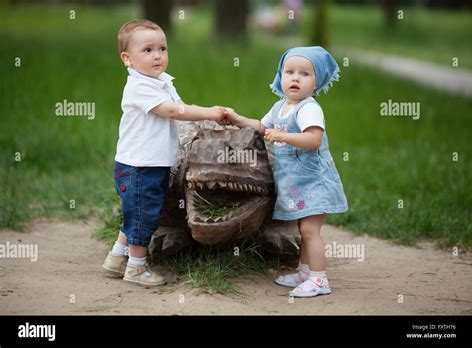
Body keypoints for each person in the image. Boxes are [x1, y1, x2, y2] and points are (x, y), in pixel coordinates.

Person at [102, 19, 230, 286]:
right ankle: (136, 267)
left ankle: (116, 258)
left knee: (135, 212)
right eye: (147, 50)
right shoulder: (140, 86)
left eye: (162, 48)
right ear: (127, 58)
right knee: (145, 215)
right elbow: (172, 111)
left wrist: (210, 118)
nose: (157, 55)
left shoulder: (161, 82)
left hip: (152, 164)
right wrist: (208, 112)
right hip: (138, 166)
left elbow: (182, 108)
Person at [225, 46, 348, 297]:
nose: (295, 78)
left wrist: (283, 136)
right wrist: (238, 119)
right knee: (303, 230)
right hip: (297, 182)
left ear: (317, 82)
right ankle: (305, 272)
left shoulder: (309, 108)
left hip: (315, 180)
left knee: (310, 231)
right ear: (280, 76)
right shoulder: (281, 106)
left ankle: (319, 279)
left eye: (305, 74)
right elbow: (262, 126)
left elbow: (313, 139)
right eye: (289, 71)